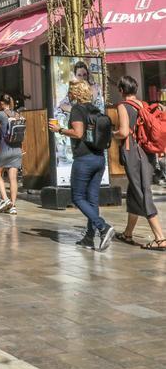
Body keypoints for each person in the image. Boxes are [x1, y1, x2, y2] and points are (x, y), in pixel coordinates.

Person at [48, 80, 115, 250]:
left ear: (75, 93)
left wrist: (60, 130)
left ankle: (103, 227)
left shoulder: (78, 109)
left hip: (84, 160)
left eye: (70, 91)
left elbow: (78, 133)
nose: (68, 95)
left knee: (77, 197)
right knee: (92, 200)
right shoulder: (95, 109)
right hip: (99, 158)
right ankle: (89, 237)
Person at [113, 76, 166, 250]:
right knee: (135, 190)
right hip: (148, 153)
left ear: (121, 90)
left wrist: (111, 135)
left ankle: (160, 238)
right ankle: (128, 233)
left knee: (142, 191)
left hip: (133, 152)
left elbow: (123, 132)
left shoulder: (122, 106)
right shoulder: (143, 104)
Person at [0, 95, 22, 214]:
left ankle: (5, 199)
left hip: (5, 149)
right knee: (13, 178)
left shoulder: (1, 115)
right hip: (17, 149)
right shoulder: (17, 114)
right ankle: (13, 206)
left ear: (1, 103)